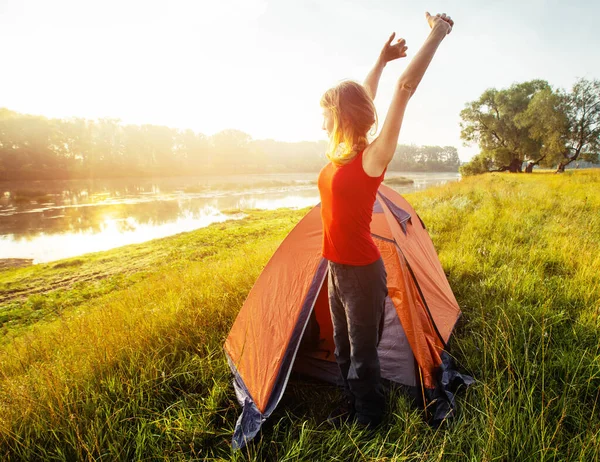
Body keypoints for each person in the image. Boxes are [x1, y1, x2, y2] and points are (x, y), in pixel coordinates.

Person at [317, 12, 454, 429]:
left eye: (327, 113)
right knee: (342, 350)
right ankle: (353, 407)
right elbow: (365, 95)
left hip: (361, 273)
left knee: (362, 356)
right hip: (334, 269)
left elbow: (404, 89)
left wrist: (438, 32)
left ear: (341, 117)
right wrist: (380, 59)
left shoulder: (371, 159)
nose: (322, 120)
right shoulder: (341, 153)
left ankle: (370, 422)